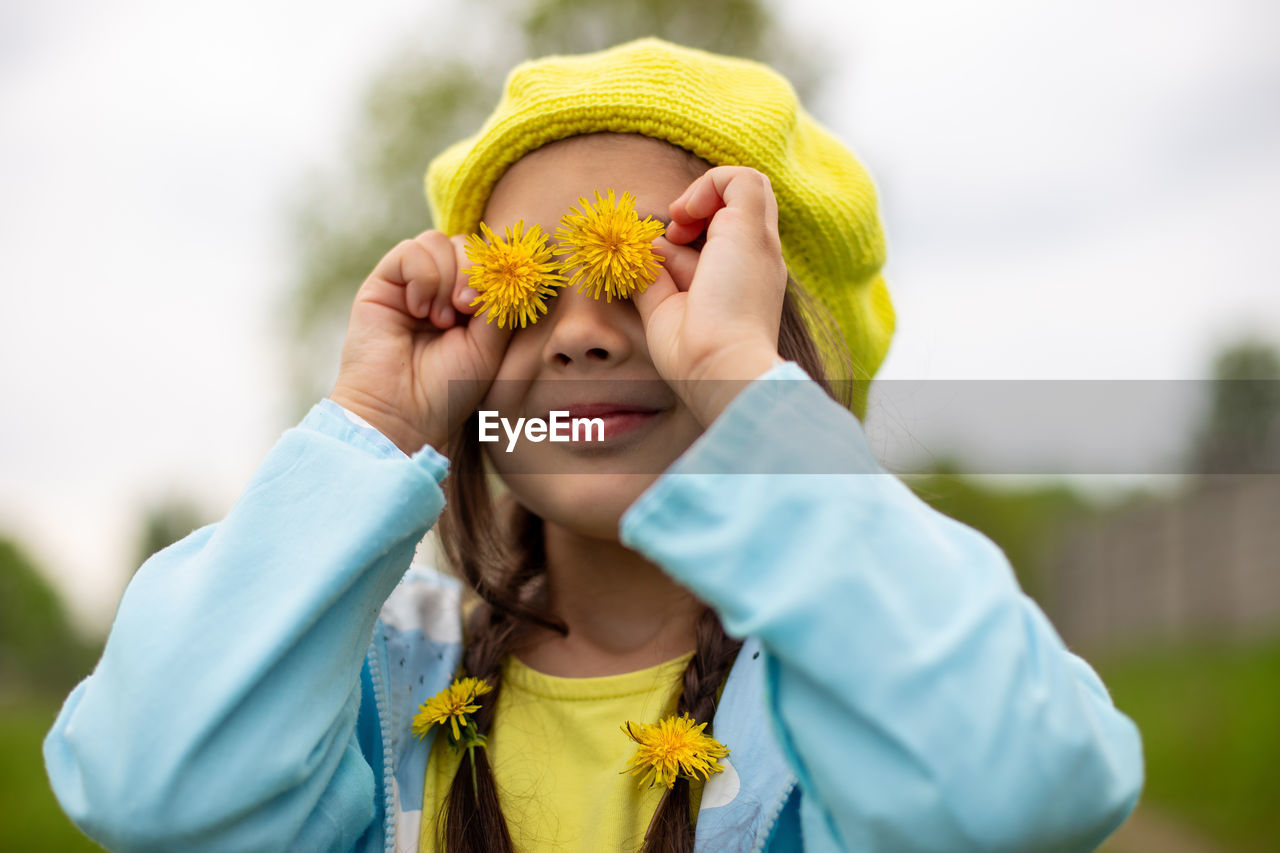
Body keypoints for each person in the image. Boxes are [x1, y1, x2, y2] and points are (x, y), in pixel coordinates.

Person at [44, 37, 1143, 853]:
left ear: (784, 361)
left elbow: (1025, 789)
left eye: (659, 276)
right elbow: (145, 788)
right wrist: (370, 428)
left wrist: (732, 379)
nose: (576, 334)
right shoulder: (372, 683)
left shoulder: (849, 689)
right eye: (525, 286)